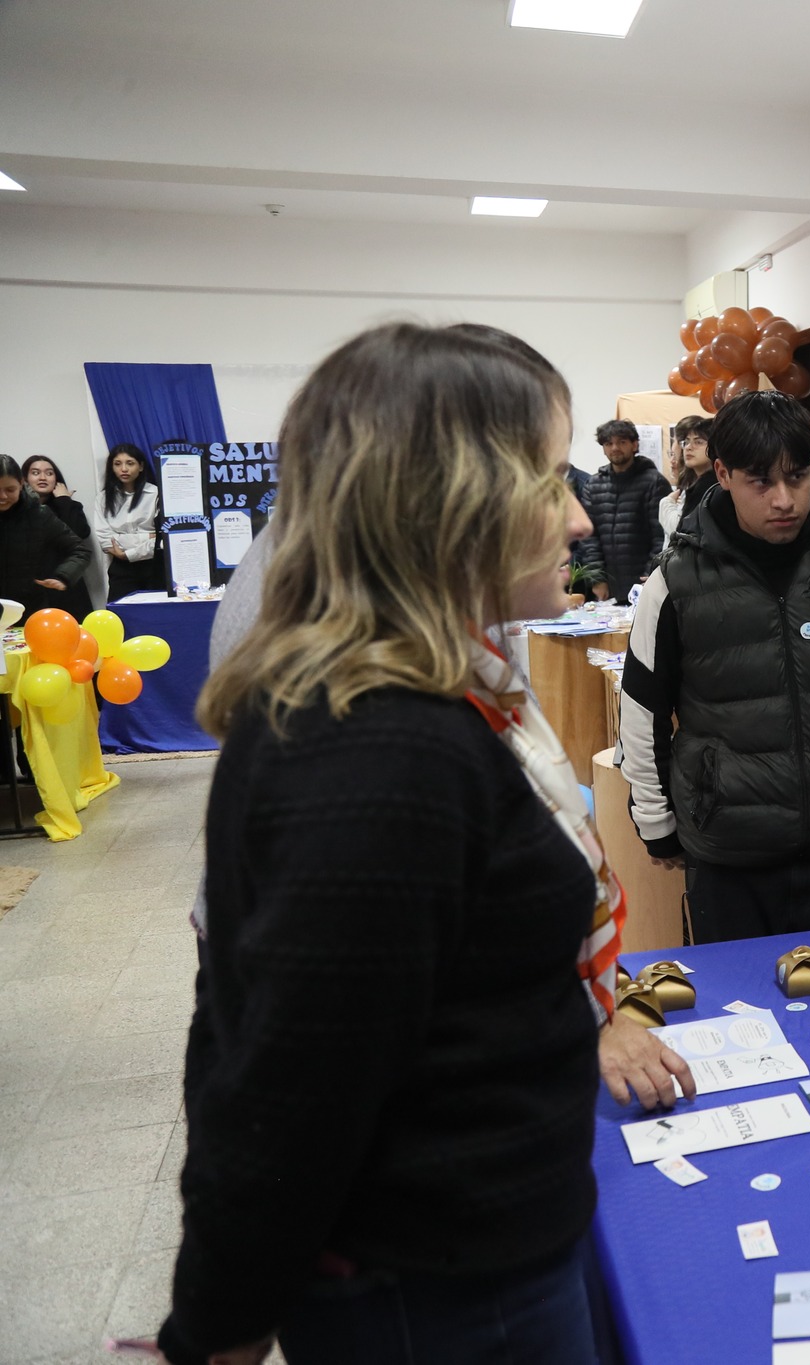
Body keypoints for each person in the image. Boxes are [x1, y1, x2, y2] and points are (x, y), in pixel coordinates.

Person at [155, 321, 694, 1365]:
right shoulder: (378, 756)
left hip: (482, 1247)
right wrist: (218, 1329)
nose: (580, 517)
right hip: (430, 1291)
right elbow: (286, 1089)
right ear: (450, 500)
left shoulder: (443, 691)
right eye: (549, 482)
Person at [617, 389, 810, 941]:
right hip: (729, 851)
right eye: (761, 482)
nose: (784, 500)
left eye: (796, 477)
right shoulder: (676, 580)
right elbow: (643, 708)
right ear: (722, 474)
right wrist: (656, 823)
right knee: (743, 1017)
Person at [574, 419, 666, 601]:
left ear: (634, 445)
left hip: (645, 585)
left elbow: (660, 538)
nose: (615, 447)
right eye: (608, 443)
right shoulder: (593, 485)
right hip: (608, 588)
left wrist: (649, 579)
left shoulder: (654, 482)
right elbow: (589, 539)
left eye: (621, 442)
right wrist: (597, 579)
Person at [0, 455, 89, 618]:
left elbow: (80, 550)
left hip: (29, 611)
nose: (3, 497)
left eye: (10, 490)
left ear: (21, 483)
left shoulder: (39, 514)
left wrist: (63, 576)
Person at [98, 441, 161, 601]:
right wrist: (148, 537)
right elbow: (105, 540)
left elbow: (162, 540)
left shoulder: (156, 494)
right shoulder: (103, 498)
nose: (124, 469)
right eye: (117, 464)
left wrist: (128, 553)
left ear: (140, 467)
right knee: (120, 616)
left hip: (153, 565)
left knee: (154, 614)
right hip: (120, 568)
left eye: (130, 463)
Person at [658, 415, 713, 541]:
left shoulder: (711, 486)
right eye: (686, 442)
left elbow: (682, 531)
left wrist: (666, 504)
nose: (688, 447)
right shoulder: (693, 484)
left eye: (698, 442)